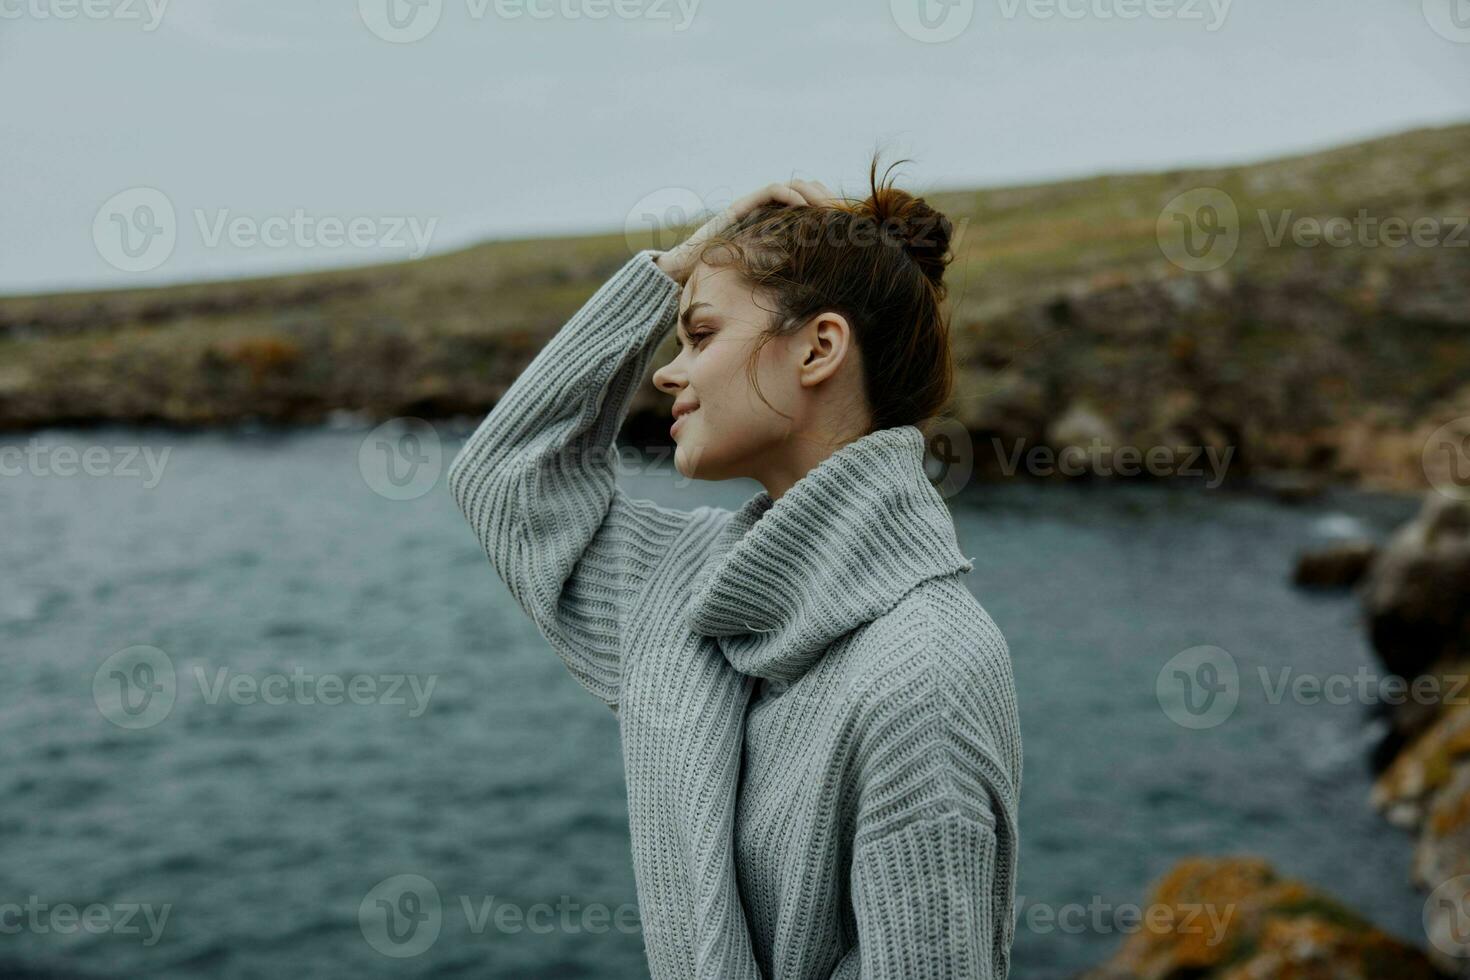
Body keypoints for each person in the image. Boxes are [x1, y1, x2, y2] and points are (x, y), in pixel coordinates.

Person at [448, 159, 1022, 979]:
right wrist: (677, 268)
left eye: (702, 334)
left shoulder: (925, 673)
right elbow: (506, 482)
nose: (666, 371)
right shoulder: (691, 593)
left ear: (820, 347)